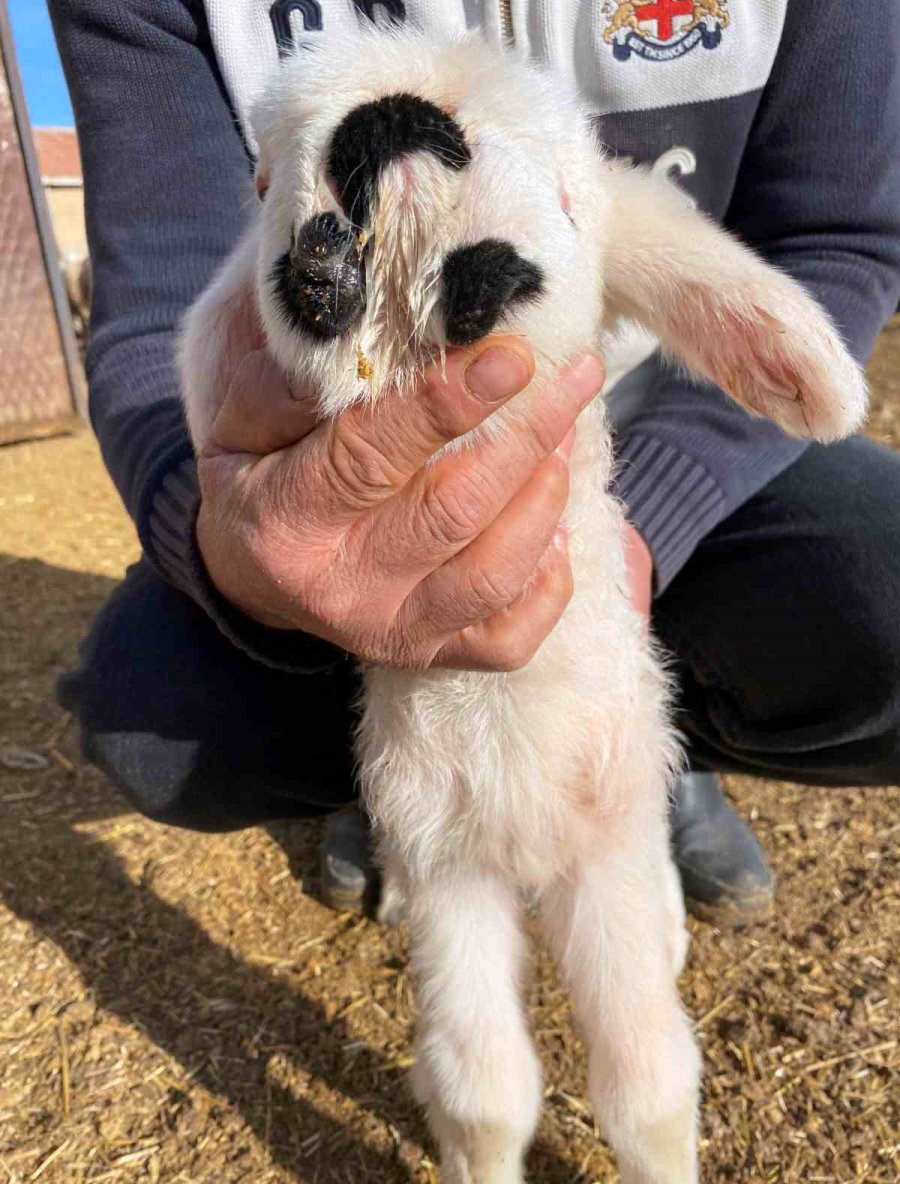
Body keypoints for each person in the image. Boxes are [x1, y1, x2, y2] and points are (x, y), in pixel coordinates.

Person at [50, 0, 900, 929]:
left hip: (647, 431)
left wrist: (641, 519)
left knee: (875, 594)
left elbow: (836, 237)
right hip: (357, 472)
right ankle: (401, 792)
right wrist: (227, 528)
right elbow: (157, 304)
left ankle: (656, 751)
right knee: (159, 710)